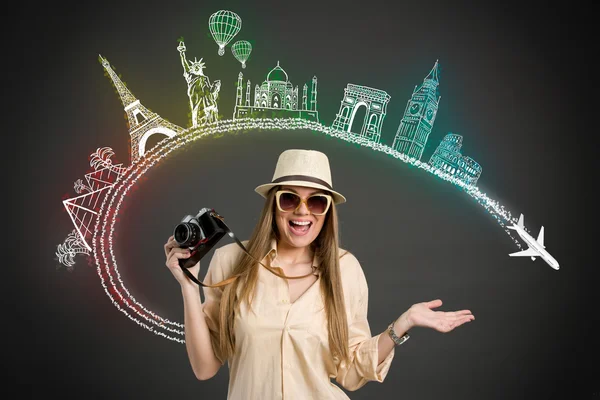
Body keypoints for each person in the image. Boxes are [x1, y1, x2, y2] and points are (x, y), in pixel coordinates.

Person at [164, 149, 475, 399]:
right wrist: (188, 287)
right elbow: (205, 368)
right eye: (289, 198)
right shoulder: (229, 261)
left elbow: (351, 373)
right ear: (274, 204)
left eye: (315, 201)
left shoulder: (345, 270)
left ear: (327, 211)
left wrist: (402, 324)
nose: (302, 212)